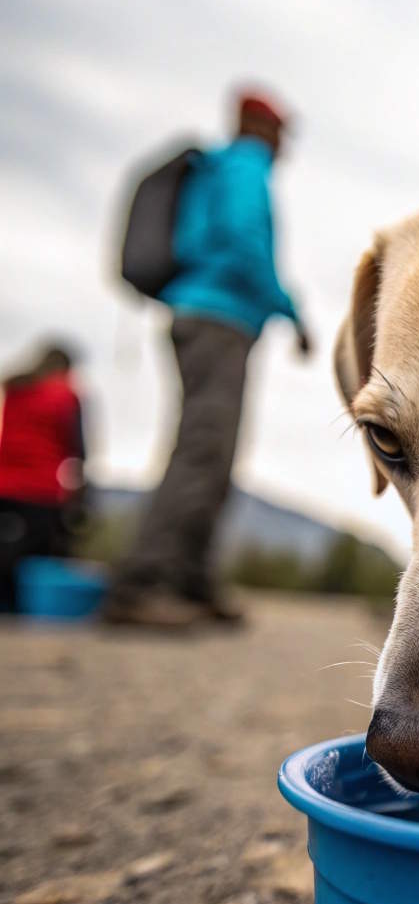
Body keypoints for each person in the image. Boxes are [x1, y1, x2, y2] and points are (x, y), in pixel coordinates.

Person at [104, 91, 312, 629]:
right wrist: (291, 311)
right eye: (279, 129)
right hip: (218, 319)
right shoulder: (244, 167)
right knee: (203, 451)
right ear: (258, 126)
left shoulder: (224, 169)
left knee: (213, 452)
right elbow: (245, 244)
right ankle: (143, 585)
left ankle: (191, 582)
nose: (284, 142)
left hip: (211, 319)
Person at [0, 343, 86, 613]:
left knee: (6, 547)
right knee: (36, 552)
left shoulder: (16, 389)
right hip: (40, 489)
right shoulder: (65, 394)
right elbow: (78, 446)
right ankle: (26, 609)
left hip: (3, 483)